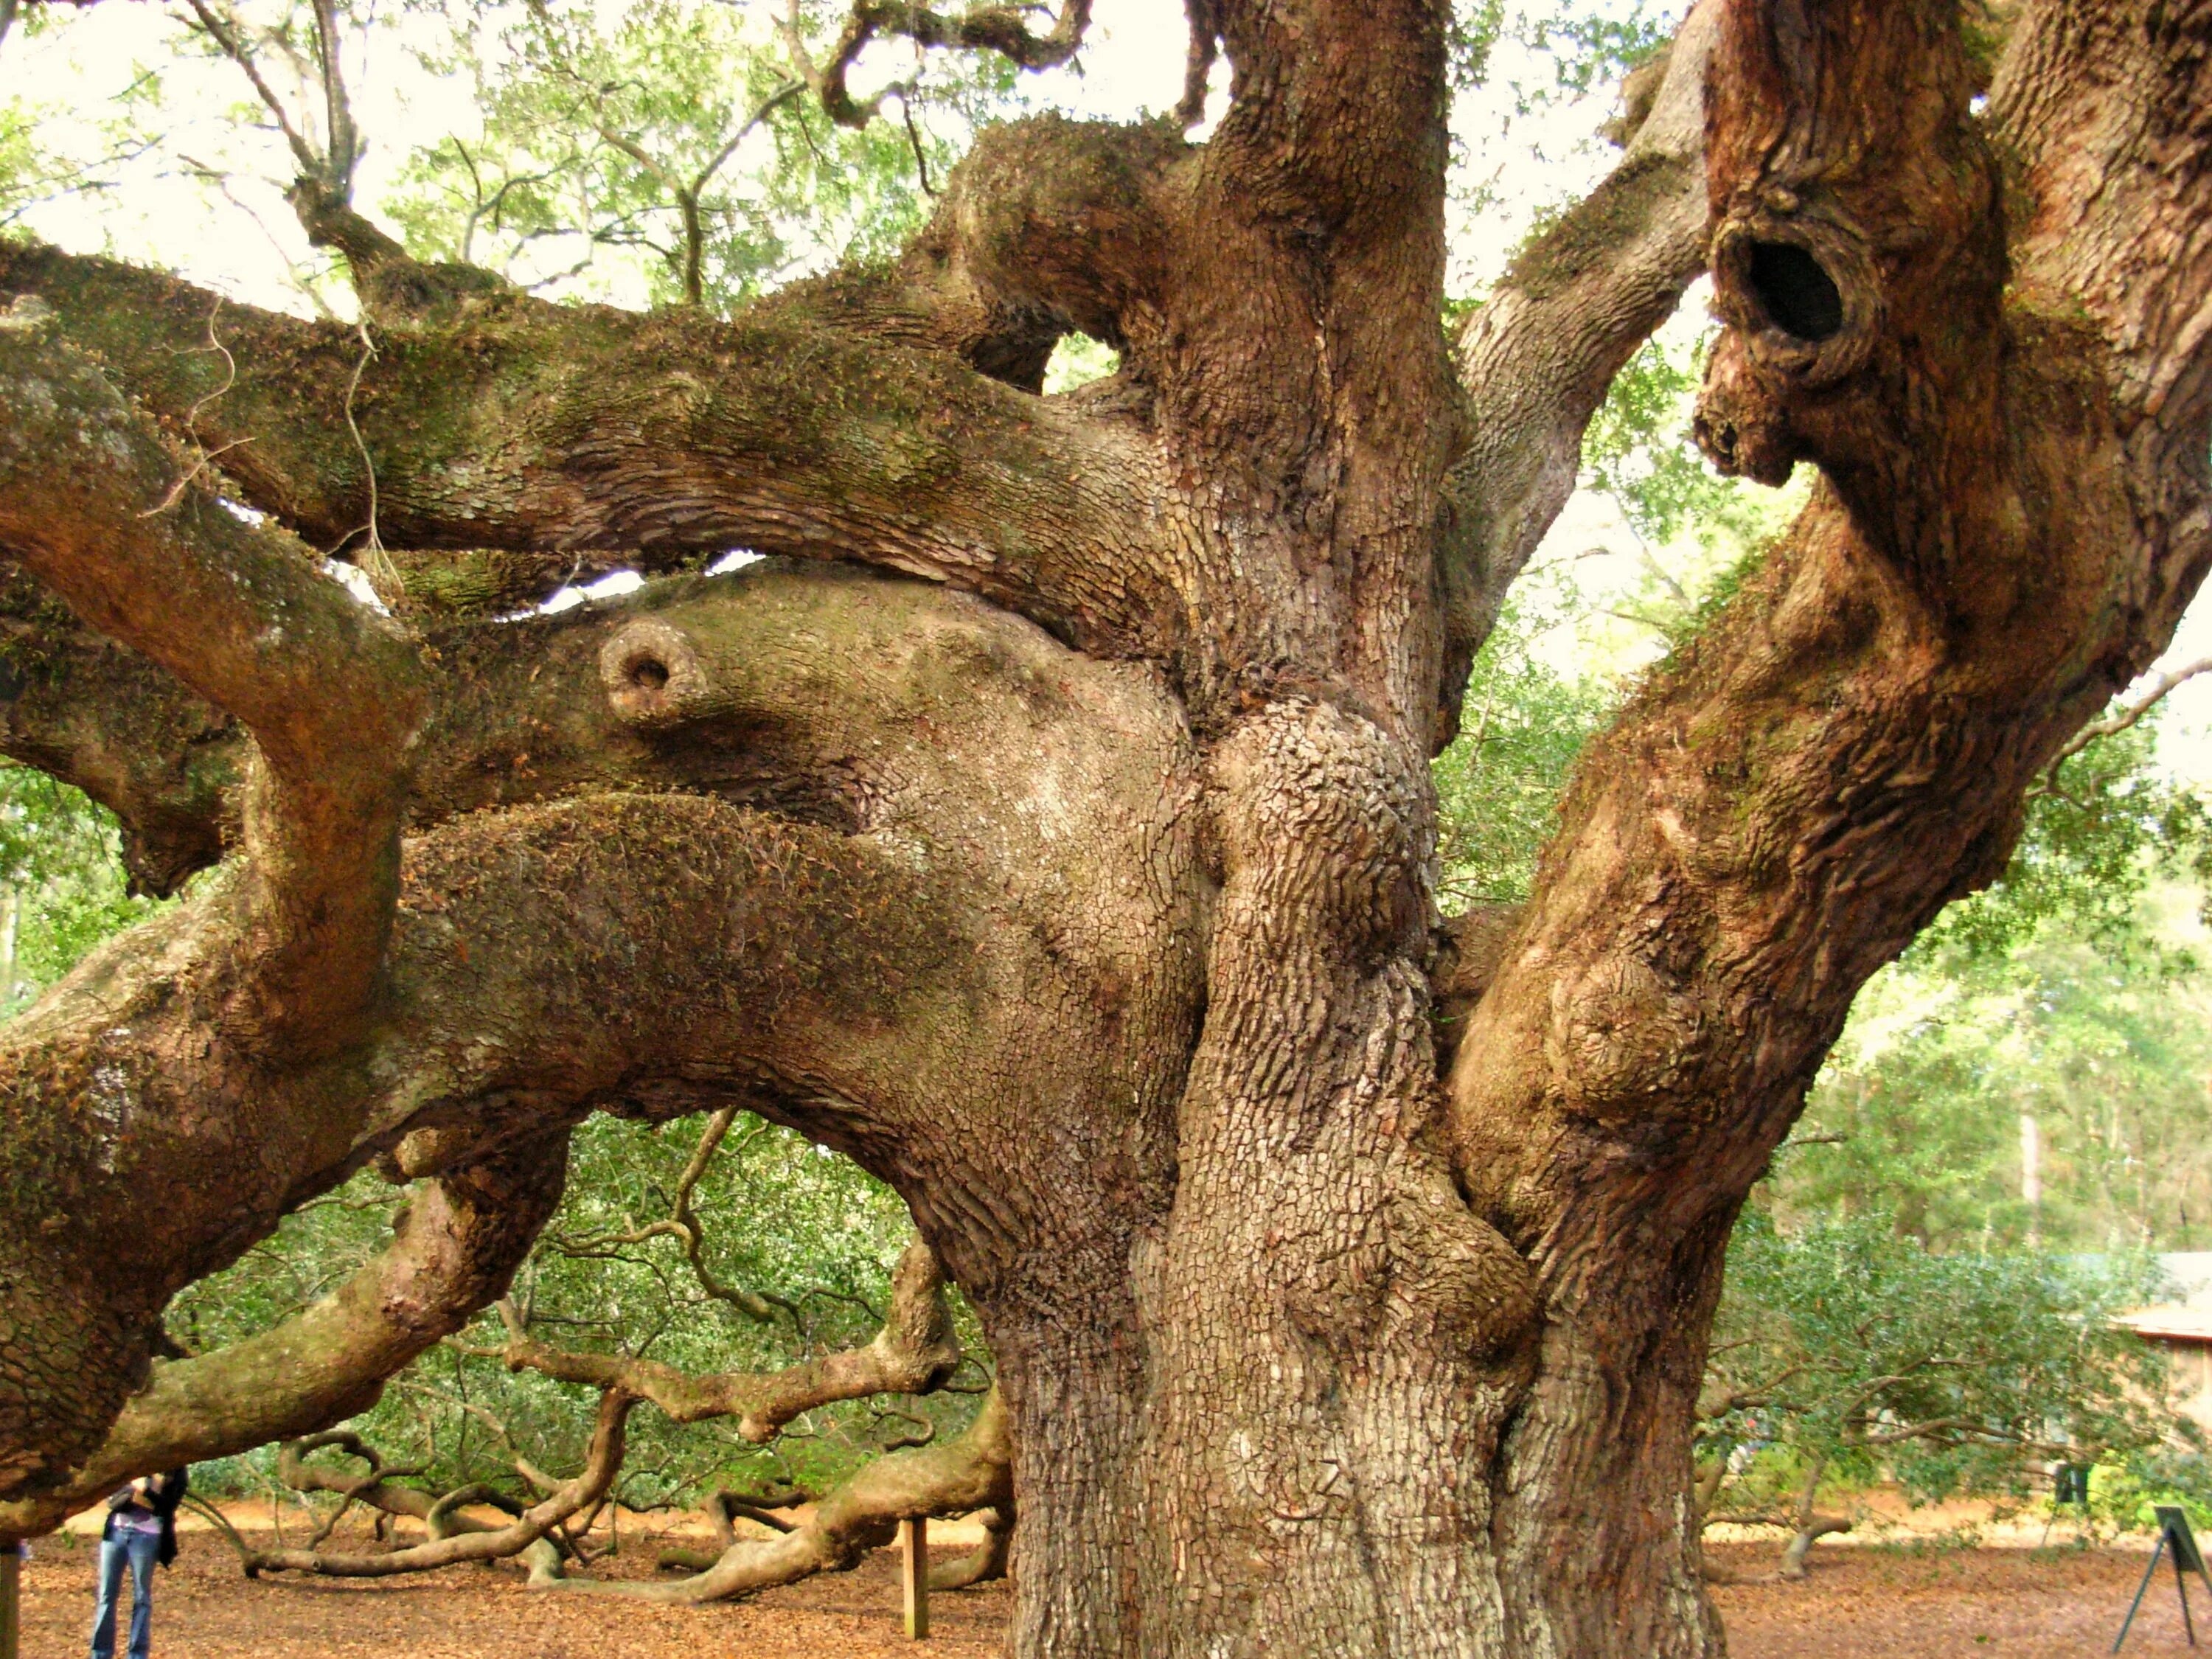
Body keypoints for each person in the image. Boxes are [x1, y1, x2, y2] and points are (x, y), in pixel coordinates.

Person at [88, 1468, 187, 1659]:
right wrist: (131, 1488)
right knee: (106, 1595)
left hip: (147, 1537)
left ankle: (137, 1654)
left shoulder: (176, 1468)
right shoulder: (134, 1462)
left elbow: (169, 1506)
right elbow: (111, 1493)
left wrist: (146, 1491)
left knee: (142, 1597)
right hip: (116, 1533)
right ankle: (100, 1653)